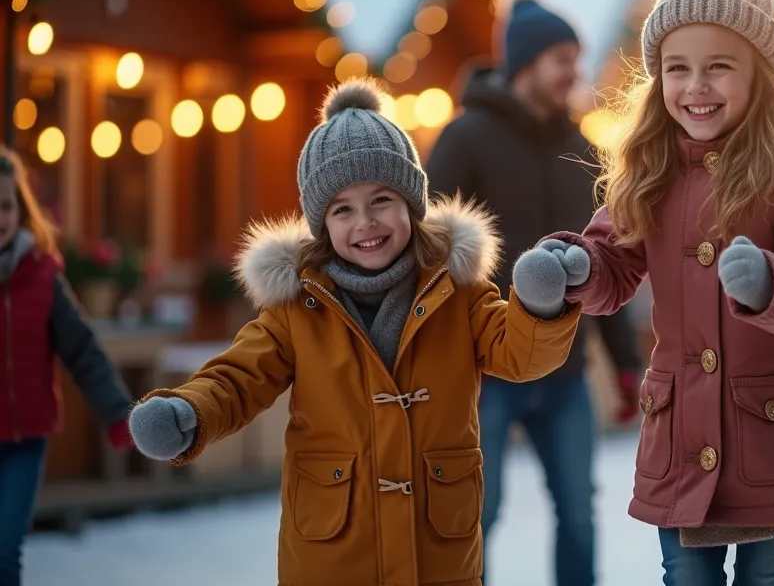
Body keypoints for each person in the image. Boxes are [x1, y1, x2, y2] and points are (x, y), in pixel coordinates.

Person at [126, 79, 583, 586]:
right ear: (322, 223)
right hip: (333, 557)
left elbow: (519, 353)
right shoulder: (297, 308)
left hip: (439, 556)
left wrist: (539, 306)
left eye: (381, 200)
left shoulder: (458, 294)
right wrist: (189, 411)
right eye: (342, 209)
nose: (365, 222)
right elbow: (238, 379)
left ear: (412, 201)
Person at [524, 0, 774, 585]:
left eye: (719, 67)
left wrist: (773, 282)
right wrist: (574, 268)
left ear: (759, 74)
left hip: (773, 436)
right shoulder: (651, 168)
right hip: (684, 436)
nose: (695, 87)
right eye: (677, 69)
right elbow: (612, 260)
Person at [425, 0, 645, 586]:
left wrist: (626, 365)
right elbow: (426, 250)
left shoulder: (584, 150)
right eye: (562, 58)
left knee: (578, 514)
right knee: (477, 514)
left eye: (576, 57)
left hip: (566, 370)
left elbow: (605, 259)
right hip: (485, 369)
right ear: (525, 63)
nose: (575, 71)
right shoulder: (465, 138)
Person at [0, 147, 133, 586]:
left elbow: (82, 349)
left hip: (24, 442)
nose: (0, 216)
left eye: (6, 205)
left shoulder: (42, 275)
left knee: (4, 548)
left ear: (20, 210)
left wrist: (117, 413)